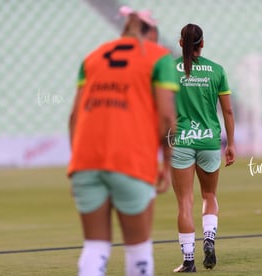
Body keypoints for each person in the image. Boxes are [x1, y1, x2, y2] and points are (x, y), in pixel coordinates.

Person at [67, 9, 178, 276]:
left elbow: (74, 116)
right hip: (131, 160)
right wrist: (167, 162)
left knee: (95, 246)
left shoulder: (92, 58)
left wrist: (77, 162)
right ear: (151, 34)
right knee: (138, 249)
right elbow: (167, 120)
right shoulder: (159, 58)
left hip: (85, 160)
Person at [170, 23, 236, 272]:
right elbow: (228, 110)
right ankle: (209, 239)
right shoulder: (217, 70)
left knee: (185, 203)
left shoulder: (169, 70)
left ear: (180, 43)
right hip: (209, 140)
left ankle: (189, 260)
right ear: (202, 43)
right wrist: (231, 143)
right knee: (209, 196)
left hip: (181, 142)